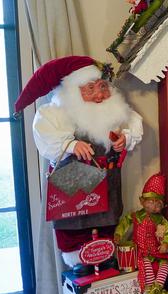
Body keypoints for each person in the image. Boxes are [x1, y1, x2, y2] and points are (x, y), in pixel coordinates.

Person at [15, 56, 143, 275]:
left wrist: (125, 138)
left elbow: (132, 122)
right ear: (74, 92)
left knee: (107, 218)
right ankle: (78, 259)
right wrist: (70, 145)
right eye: (90, 88)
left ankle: (105, 255)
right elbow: (46, 138)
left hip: (107, 179)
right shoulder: (54, 113)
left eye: (103, 87)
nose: (100, 95)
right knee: (74, 223)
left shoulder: (114, 111)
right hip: (73, 183)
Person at [114, 173, 168, 294]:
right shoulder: (136, 216)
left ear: (163, 205)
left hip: (156, 252)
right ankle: (151, 292)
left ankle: (157, 289)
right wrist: (118, 234)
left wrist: (166, 243)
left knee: (165, 265)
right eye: (150, 202)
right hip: (141, 253)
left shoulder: (161, 220)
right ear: (142, 201)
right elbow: (124, 222)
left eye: (158, 203)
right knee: (146, 266)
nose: (154, 206)